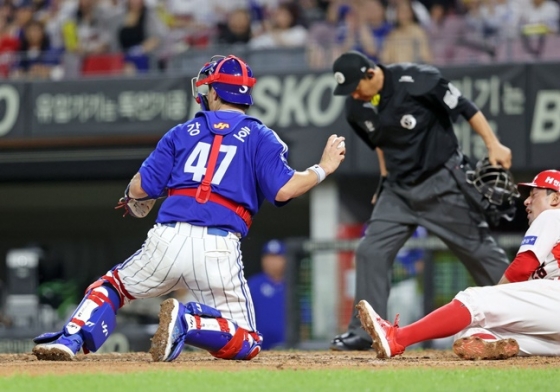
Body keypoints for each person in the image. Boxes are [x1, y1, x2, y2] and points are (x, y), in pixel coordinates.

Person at [31, 54, 347, 362]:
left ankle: (71, 337)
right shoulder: (262, 135)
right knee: (247, 341)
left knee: (111, 288)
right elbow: (284, 189)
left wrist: (131, 193)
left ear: (213, 91)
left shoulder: (181, 132)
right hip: (218, 246)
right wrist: (323, 168)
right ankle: (190, 323)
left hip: (166, 239)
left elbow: (142, 188)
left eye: (206, 87)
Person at [329, 50, 515, 351]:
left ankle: (527, 312)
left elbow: (465, 106)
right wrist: (384, 180)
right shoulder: (356, 108)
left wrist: (493, 144)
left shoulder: (418, 80)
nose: (353, 93)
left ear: (371, 73)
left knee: (480, 252)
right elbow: (380, 146)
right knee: (370, 251)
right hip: (398, 192)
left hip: (440, 183)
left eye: (355, 86)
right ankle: (364, 332)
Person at [357, 169, 560, 360]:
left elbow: (522, 268)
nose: (526, 201)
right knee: (469, 334)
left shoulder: (552, 215)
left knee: (474, 300)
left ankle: (397, 338)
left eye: (534, 194)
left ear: (556, 198)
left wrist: (491, 299)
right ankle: (492, 345)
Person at [247, 239, 287, 350]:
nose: (272, 261)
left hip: (288, 346)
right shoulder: (252, 284)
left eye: (277, 257)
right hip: (258, 346)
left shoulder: (294, 285)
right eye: (268, 257)